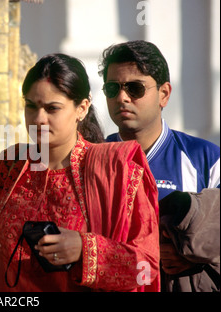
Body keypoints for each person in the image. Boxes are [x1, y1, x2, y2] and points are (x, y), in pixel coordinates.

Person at [0, 53, 160, 292]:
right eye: (31, 106)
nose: (38, 118)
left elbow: (145, 269)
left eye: (52, 108)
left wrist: (85, 249)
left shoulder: (115, 170)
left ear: (81, 108)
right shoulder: (12, 169)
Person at [100, 40, 220, 292]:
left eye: (135, 88)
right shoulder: (90, 160)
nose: (122, 97)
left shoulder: (206, 159)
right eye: (112, 88)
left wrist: (194, 256)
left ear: (164, 94)